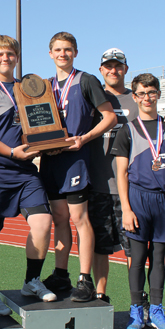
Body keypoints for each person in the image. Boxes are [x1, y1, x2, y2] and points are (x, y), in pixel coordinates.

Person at [0, 35, 57, 317]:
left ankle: (31, 281)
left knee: (43, 223)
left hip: (25, 171)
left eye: (10, 54)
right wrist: (9, 152)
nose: (6, 58)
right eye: (0, 54)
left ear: (17, 57)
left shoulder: (27, 88)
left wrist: (51, 143)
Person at [90, 48, 165, 303]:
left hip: (132, 190)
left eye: (118, 66)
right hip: (98, 183)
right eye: (108, 66)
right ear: (101, 70)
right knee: (101, 246)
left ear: (125, 70)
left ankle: (139, 301)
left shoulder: (138, 98)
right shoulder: (93, 98)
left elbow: (159, 124)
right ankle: (100, 295)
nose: (113, 70)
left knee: (135, 250)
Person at [40, 32, 117, 302]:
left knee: (79, 218)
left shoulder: (86, 80)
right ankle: (61, 274)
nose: (63, 54)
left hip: (75, 160)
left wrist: (84, 138)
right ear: (50, 54)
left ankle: (85, 279)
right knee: (58, 218)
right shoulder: (45, 85)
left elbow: (109, 116)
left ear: (75, 53)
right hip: (51, 159)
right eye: (58, 50)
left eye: (68, 49)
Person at [111, 73, 165, 329]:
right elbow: (121, 173)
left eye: (151, 92)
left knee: (159, 257)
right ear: (135, 97)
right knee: (137, 257)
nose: (147, 97)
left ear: (158, 94)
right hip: (138, 199)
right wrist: (126, 209)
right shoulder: (128, 130)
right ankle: (136, 311)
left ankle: (156, 309)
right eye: (142, 93)